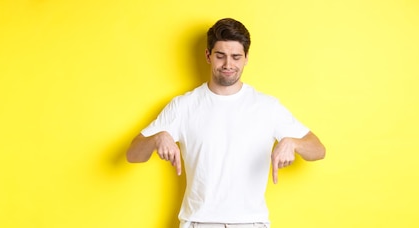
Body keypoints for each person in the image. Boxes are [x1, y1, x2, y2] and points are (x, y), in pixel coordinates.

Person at [127, 18, 325, 228]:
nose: (228, 64)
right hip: (199, 222)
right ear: (208, 56)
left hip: (251, 223)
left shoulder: (267, 106)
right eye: (220, 56)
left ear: (246, 58)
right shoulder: (184, 106)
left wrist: (293, 143)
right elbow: (133, 155)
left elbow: (318, 150)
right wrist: (158, 138)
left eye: (236, 57)